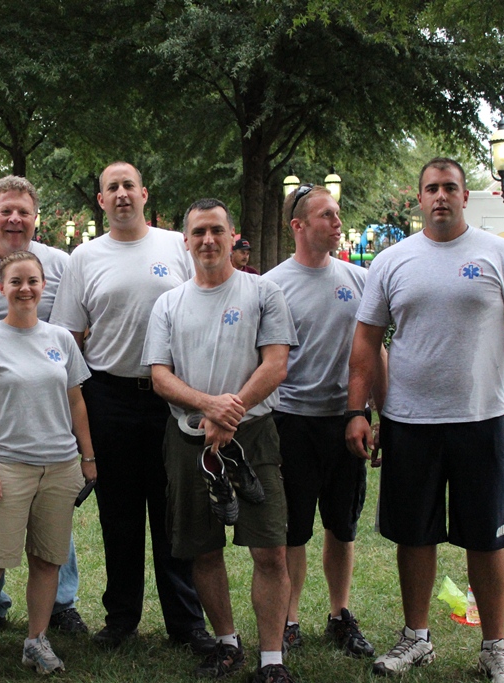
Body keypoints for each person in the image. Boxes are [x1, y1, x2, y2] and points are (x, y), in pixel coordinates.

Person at [346, 158, 504, 683]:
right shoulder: (392, 261)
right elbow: (366, 341)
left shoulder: (501, 254)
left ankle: (494, 648)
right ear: (419, 198)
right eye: (432, 188)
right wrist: (358, 411)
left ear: (464, 196)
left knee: (487, 537)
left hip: (482, 419)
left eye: (450, 188)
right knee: (414, 534)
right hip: (409, 421)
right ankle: (416, 638)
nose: (441, 196)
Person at [50, 161, 213, 653]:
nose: (121, 194)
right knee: (118, 514)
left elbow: (202, 307)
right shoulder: (84, 258)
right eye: (111, 188)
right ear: (101, 201)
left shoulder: (175, 246)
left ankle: (186, 622)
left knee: (173, 512)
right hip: (110, 397)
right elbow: (68, 339)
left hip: (171, 399)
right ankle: (121, 618)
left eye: (128, 186)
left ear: (144, 194)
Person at [144, 198, 298, 682]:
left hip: (254, 437)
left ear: (233, 237)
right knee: (203, 548)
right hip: (189, 439)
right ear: (186, 242)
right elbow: (160, 377)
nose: (208, 240)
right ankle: (227, 642)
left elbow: (276, 363)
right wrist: (209, 407)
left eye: (216, 230)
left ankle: (271, 660)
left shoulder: (263, 291)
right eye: (198, 232)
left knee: (270, 549)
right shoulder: (169, 303)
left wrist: (230, 412)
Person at [0, 251, 97, 683]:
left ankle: (36, 641)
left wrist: (88, 457)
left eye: (33, 280)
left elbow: (76, 401)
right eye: (16, 281)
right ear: (1, 288)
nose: (25, 289)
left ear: (43, 286)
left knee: (48, 560)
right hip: (9, 467)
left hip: (59, 466)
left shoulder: (61, 339)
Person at [262, 184, 382, 659]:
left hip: (347, 421)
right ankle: (289, 620)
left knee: (342, 525)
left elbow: (375, 352)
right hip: (291, 422)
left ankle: (339, 614)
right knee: (293, 529)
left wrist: (383, 415)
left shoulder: (360, 279)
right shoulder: (273, 285)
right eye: (326, 215)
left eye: (337, 214)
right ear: (298, 225)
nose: (337, 222)